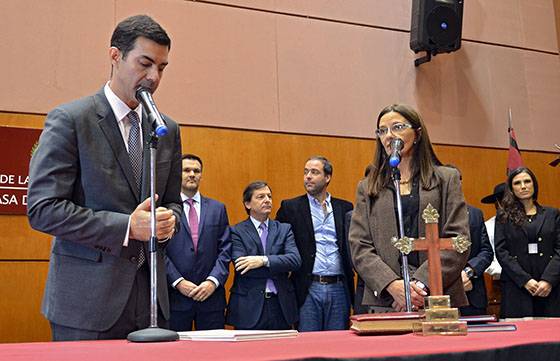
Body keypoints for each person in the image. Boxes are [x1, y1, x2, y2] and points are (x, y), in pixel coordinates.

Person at [27, 15, 182, 340]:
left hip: (152, 304)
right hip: (86, 306)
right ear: (115, 56)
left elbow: (171, 202)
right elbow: (43, 209)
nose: (153, 77)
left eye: (162, 67)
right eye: (145, 63)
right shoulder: (71, 120)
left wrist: (169, 221)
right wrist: (127, 227)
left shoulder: (166, 129)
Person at [348, 103, 470, 312]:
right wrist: (393, 286)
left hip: (437, 296)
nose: (389, 136)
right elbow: (359, 246)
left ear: (418, 133)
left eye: (397, 127)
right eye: (382, 130)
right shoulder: (367, 187)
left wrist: (419, 286)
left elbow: (458, 239)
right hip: (388, 302)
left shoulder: (446, 179)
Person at [276, 156, 354, 331]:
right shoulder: (291, 207)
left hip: (339, 286)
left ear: (327, 177)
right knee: (308, 343)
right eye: (305, 172)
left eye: (314, 172)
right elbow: (278, 245)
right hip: (308, 286)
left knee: (338, 344)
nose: (308, 176)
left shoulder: (345, 208)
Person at [165, 154, 231, 331]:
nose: (192, 174)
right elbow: (158, 251)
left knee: (214, 354)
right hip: (175, 299)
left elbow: (225, 249)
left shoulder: (218, 208)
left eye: (197, 171)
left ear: (202, 175)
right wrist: (178, 282)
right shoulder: (164, 209)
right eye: (187, 170)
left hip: (211, 299)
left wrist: (212, 281)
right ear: (178, 175)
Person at [226, 181, 301, 330]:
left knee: (284, 352)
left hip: (280, 305)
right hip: (249, 306)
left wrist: (263, 260)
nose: (267, 200)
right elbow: (242, 266)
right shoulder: (236, 231)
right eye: (260, 197)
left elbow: (295, 260)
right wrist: (279, 264)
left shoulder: (284, 229)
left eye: (269, 196)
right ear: (248, 204)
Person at [494, 167, 560, 318]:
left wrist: (548, 280)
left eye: (527, 181)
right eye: (517, 183)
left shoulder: (552, 214)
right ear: (511, 189)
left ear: (534, 185)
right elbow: (501, 251)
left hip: (550, 288)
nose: (523, 186)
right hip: (517, 287)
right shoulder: (504, 217)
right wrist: (525, 280)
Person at [459, 205, 494, 316]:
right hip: (437, 296)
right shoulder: (428, 212)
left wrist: (469, 271)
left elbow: (486, 251)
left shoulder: (475, 213)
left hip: (473, 296)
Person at [481, 183, 506, 279]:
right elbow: (486, 254)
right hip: (499, 278)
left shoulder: (529, 224)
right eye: (503, 201)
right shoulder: (488, 227)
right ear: (496, 203)